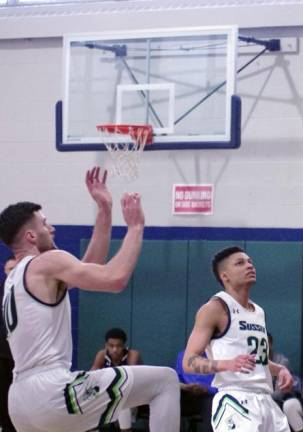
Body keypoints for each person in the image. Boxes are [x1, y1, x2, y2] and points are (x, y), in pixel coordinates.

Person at [0, 167, 180, 432]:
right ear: (31, 236)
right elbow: (114, 279)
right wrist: (135, 228)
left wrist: (104, 211)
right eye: (45, 224)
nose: (52, 228)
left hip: (19, 401)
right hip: (51, 389)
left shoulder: (15, 277)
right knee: (165, 380)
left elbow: (90, 266)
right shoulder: (46, 262)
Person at [183, 245, 293, 432]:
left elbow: (256, 360)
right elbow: (189, 361)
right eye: (240, 263)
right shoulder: (215, 308)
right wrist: (226, 364)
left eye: (250, 262)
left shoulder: (258, 311)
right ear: (225, 276)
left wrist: (279, 369)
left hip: (266, 400)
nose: (250, 266)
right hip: (235, 400)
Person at [90, 328, 143, 432]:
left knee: (122, 402)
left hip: (133, 395)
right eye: (111, 345)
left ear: (124, 346)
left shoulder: (132, 355)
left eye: (118, 346)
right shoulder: (102, 354)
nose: (114, 349)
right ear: (106, 345)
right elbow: (92, 375)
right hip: (109, 395)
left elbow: (129, 378)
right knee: (90, 402)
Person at [176, 350, 216, 432]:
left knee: (210, 401)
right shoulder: (182, 356)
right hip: (188, 394)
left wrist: (207, 389)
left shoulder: (216, 355)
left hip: (208, 395)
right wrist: (183, 386)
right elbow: (177, 377)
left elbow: (226, 384)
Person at [0, 256, 17, 432]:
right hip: (2, 354)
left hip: (22, 355)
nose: (12, 272)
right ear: (5, 271)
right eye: (9, 269)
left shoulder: (27, 291)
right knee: (4, 393)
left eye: (15, 269)